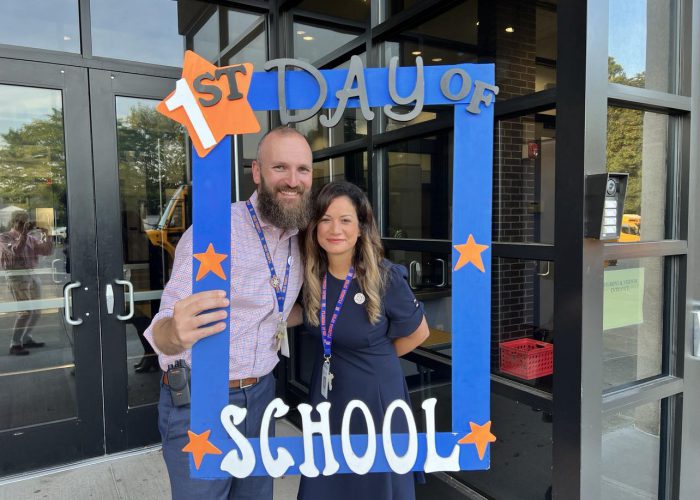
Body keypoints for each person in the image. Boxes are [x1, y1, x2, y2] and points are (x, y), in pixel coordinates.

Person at [143, 126, 313, 500]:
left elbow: (277, 310)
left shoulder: (301, 235)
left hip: (262, 396)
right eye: (280, 167)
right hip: (202, 401)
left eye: (303, 169)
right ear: (256, 172)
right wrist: (174, 332)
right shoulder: (215, 231)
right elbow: (163, 331)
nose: (293, 180)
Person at [295, 181, 430, 500]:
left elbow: (419, 332)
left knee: (373, 485)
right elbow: (310, 318)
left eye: (345, 220)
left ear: (360, 228)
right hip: (329, 396)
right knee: (327, 483)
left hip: (375, 399)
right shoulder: (313, 276)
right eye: (325, 219)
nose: (334, 229)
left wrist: (379, 357)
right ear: (315, 227)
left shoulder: (385, 277)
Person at [0, 210, 52, 356]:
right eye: (22, 222)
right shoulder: (4, 237)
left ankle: (26, 337)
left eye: (26, 222)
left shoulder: (30, 238)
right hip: (16, 276)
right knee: (24, 312)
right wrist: (23, 234)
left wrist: (47, 234)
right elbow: (15, 251)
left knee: (36, 311)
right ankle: (15, 344)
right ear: (14, 222)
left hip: (32, 274)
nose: (24, 225)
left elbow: (47, 251)